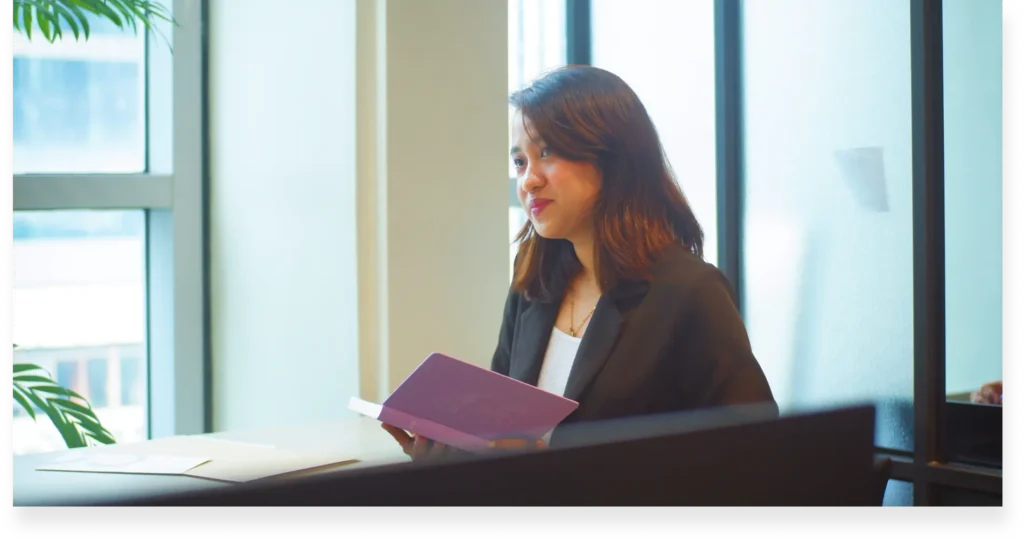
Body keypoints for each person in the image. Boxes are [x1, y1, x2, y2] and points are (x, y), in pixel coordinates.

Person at [384, 65, 777, 460]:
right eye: (519, 162)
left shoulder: (689, 291)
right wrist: (449, 458)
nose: (528, 180)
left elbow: (750, 453)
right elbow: (498, 438)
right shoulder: (533, 281)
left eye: (547, 153)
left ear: (611, 157)